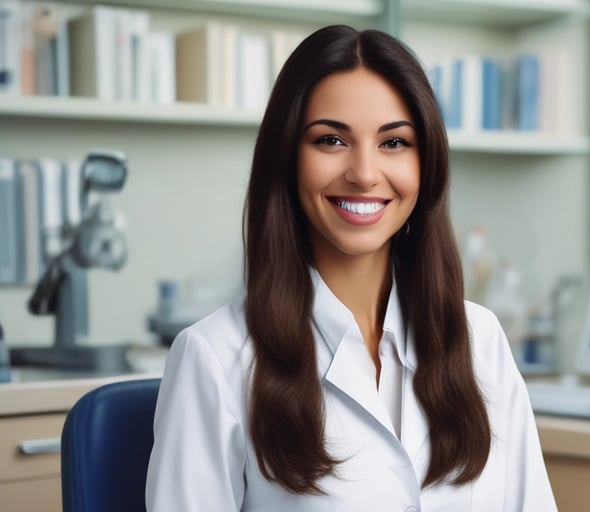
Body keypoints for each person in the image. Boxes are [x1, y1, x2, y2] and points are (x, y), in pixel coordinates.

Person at [146, 24, 557, 511]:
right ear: (287, 159)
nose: (364, 173)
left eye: (394, 143)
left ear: (426, 167)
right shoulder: (214, 358)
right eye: (331, 141)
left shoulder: (480, 342)